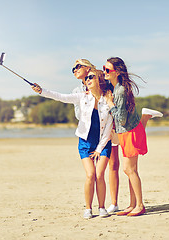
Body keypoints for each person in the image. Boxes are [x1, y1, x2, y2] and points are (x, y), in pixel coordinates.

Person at [31, 69, 113, 219]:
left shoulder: (107, 101)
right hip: (85, 143)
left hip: (103, 144)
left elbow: (108, 130)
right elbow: (61, 97)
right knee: (90, 175)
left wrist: (99, 149)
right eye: (86, 78)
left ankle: (102, 207)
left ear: (99, 80)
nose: (87, 80)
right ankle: (88, 208)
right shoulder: (82, 97)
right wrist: (42, 90)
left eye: (90, 77)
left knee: (100, 175)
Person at [103, 57, 148, 217]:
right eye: (104, 68)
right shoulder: (116, 88)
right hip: (126, 132)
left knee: (129, 169)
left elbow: (120, 118)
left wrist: (110, 104)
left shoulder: (120, 91)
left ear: (117, 72)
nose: (105, 72)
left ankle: (140, 205)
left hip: (129, 132)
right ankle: (132, 204)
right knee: (131, 169)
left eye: (108, 70)